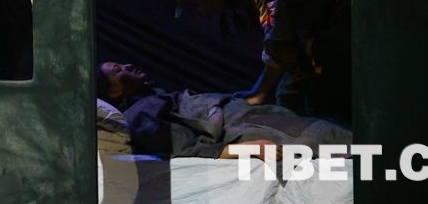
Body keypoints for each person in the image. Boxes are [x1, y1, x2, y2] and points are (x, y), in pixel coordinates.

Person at [165, 0, 351, 124]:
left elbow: (278, 45)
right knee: (289, 96)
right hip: (323, 20)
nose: (201, 11)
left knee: (319, 101)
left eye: (195, 4)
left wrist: (259, 92)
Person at [96, 61, 351, 162]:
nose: (127, 65)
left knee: (340, 136)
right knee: (333, 138)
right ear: (114, 92)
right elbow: (183, 148)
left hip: (252, 117)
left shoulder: (153, 99)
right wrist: (246, 149)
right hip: (244, 126)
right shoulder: (139, 114)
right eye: (118, 70)